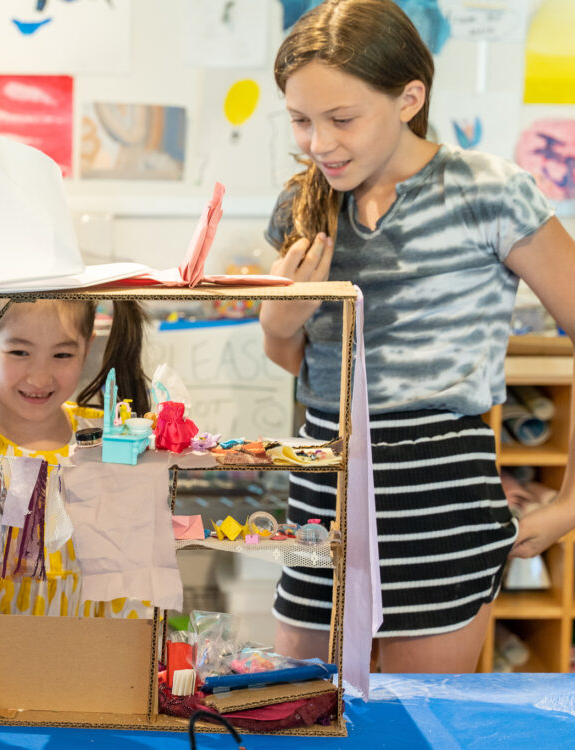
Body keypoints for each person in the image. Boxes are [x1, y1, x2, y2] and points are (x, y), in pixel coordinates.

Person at [258, 0, 575, 673]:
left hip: (442, 501)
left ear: (409, 98)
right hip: (323, 495)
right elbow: (293, 359)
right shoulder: (300, 204)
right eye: (302, 120)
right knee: (301, 713)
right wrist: (278, 322)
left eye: (342, 119)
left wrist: (571, 503)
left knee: (419, 726)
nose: (320, 143)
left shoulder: (489, 191)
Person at [0, 296, 152, 685]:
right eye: (19, 351)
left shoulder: (108, 440)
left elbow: (132, 582)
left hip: (87, 675)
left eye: (61, 354)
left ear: (87, 346)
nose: (40, 378)